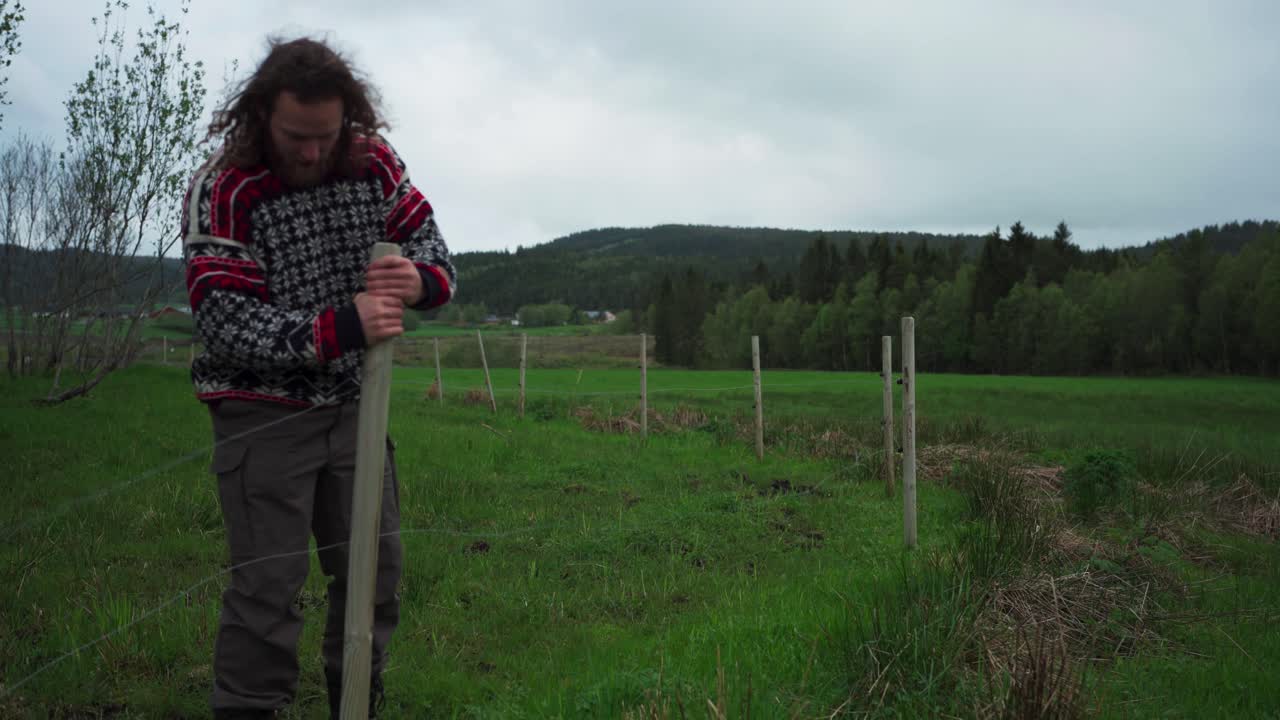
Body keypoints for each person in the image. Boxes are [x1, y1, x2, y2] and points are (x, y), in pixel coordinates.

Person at [182, 36, 456, 719]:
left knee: (374, 572)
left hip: (356, 406)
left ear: (348, 119)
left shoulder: (373, 160)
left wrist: (418, 280)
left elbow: (431, 246)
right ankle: (250, 709)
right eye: (295, 136)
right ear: (261, 117)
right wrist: (340, 328)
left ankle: (356, 699)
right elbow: (223, 318)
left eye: (324, 136)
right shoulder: (225, 186)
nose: (310, 153)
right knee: (268, 587)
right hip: (261, 412)